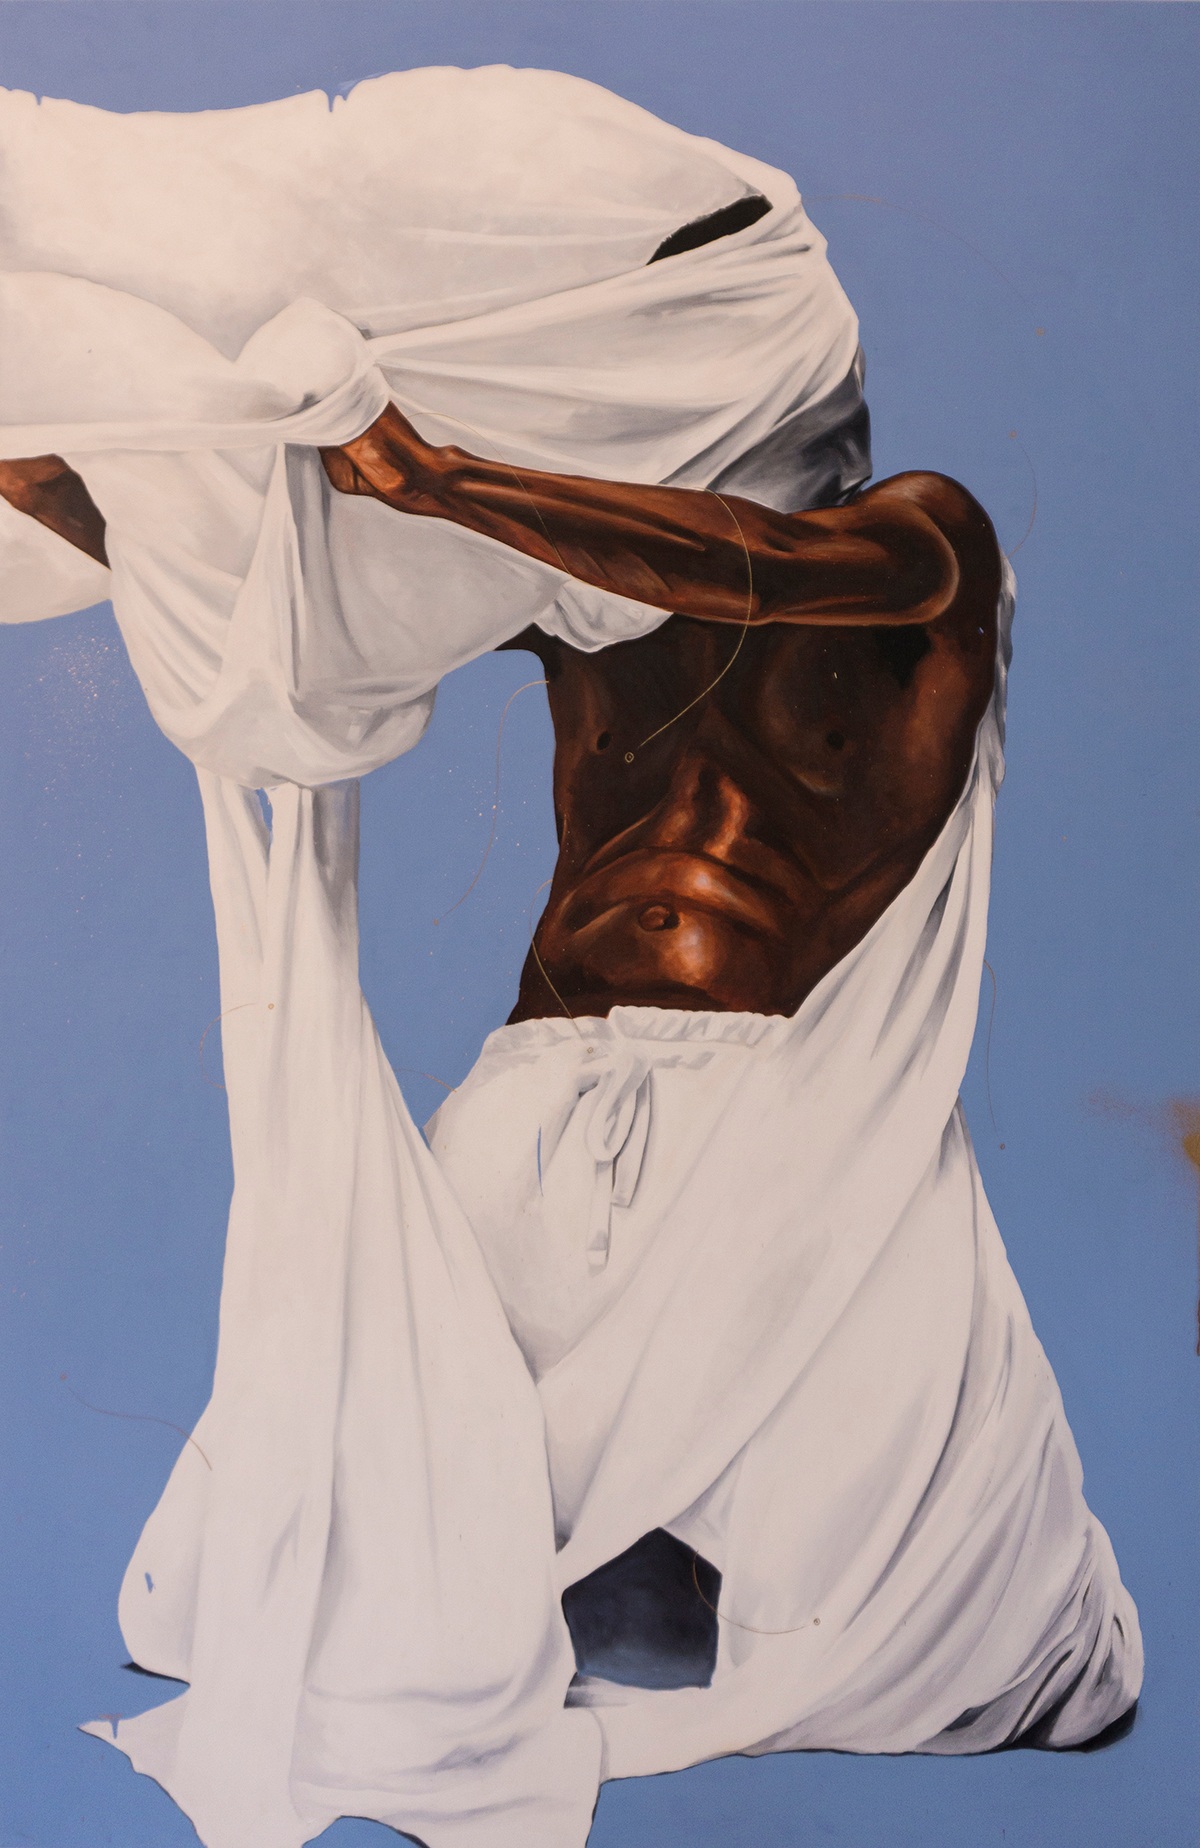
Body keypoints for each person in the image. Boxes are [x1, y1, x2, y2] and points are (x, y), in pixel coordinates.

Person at [0, 68, 1141, 1848]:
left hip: (795, 1111)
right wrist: (95, 490)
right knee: (332, 1493)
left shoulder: (919, 543)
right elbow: (313, 617)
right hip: (554, 1080)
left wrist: (446, 473)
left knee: (880, 1571)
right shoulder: (580, 596)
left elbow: (750, 563)